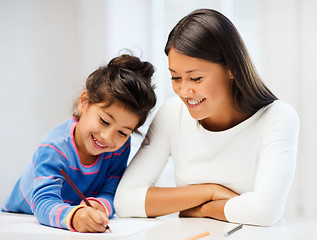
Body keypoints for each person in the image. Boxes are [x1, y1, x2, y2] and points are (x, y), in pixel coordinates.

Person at [114, 9, 299, 226]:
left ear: (231, 68)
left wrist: (200, 210)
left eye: (196, 78)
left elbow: (266, 212)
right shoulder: (172, 114)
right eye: (175, 77)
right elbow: (125, 201)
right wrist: (210, 192)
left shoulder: (277, 118)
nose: (184, 91)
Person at [1, 54, 157, 232]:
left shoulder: (119, 149)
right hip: (19, 221)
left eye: (122, 132)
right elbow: (43, 202)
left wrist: (100, 205)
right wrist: (74, 217)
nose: (108, 137)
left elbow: (111, 191)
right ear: (84, 103)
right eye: (104, 121)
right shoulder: (54, 148)